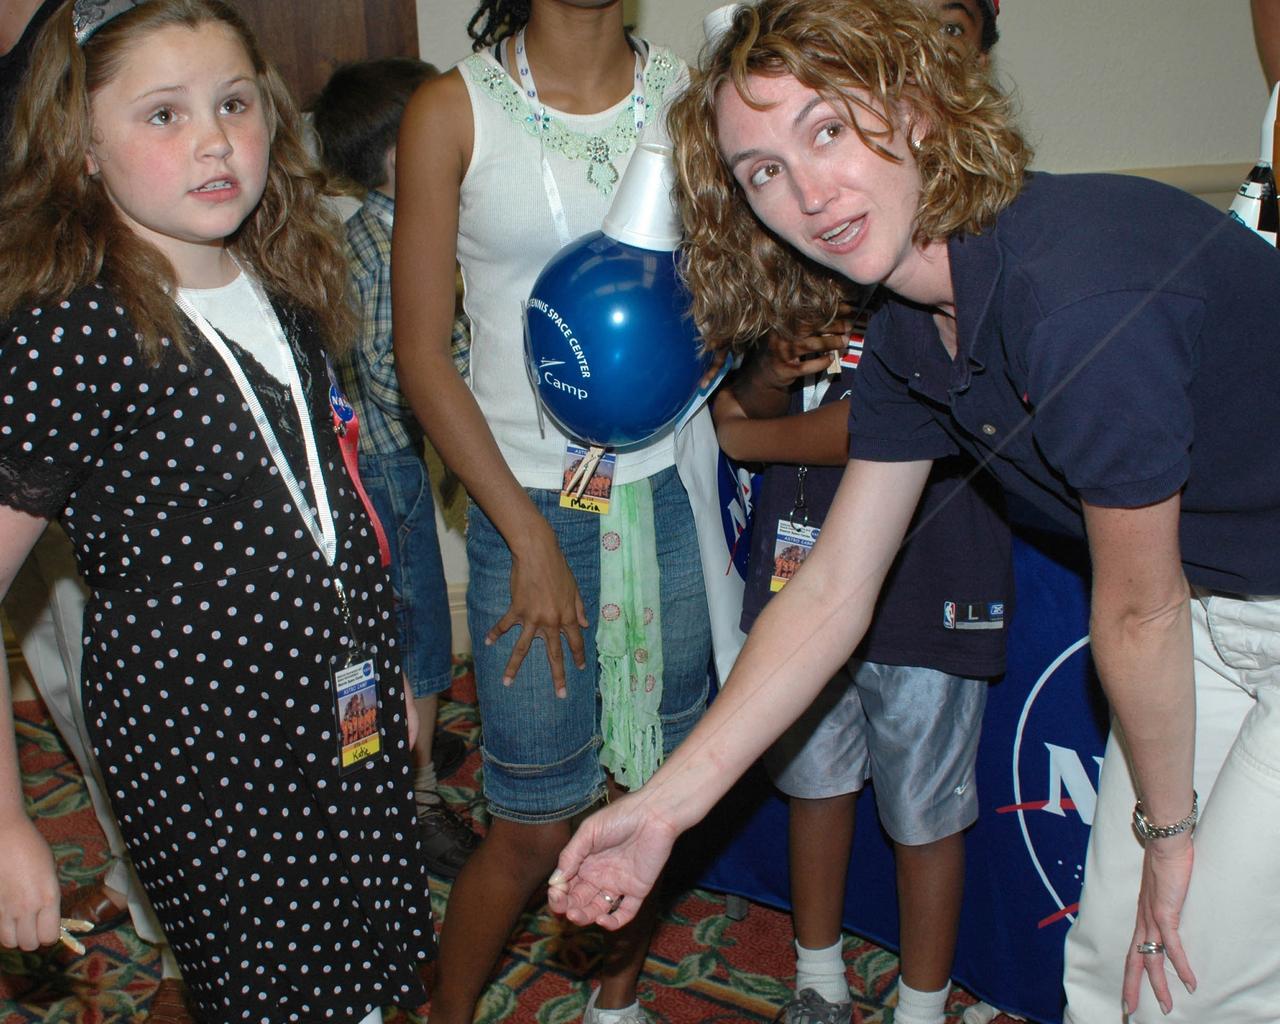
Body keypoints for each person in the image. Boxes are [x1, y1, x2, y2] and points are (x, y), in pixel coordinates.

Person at [548, 2, 1280, 1023]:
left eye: (827, 130)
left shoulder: (1071, 292)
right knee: (1116, 955)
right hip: (1211, 610)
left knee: (1205, 973)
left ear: (921, 111)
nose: (804, 193)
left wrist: (1166, 834)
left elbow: (1134, 612)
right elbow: (831, 590)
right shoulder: (906, 319)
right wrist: (663, 809)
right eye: (760, 169)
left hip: (1211, 610)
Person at [0, 2, 434, 1021]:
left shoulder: (281, 276)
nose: (212, 139)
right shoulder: (72, 327)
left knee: (367, 979)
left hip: (339, 705)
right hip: (208, 745)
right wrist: (9, 825)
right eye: (161, 114)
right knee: (279, 999)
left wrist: (394, 661)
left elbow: (336, 502)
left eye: (233, 102)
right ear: (82, 147)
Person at [391, 0, 713, 1020]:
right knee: (533, 819)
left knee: (650, 798)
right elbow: (417, 355)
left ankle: (613, 1007)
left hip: (668, 487)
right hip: (524, 500)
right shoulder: (452, 109)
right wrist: (526, 537)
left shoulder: (689, 94)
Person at [714, 9, 1007, 1022]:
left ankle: (920, 1003)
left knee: (925, 806)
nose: (806, 185)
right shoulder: (798, 250)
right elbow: (735, 413)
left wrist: (753, 437)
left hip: (932, 569)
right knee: (814, 782)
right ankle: (817, 977)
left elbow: (884, 426)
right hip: (801, 570)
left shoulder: (943, 250)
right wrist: (759, 380)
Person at [310, 56, 480, 881]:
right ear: (396, 157)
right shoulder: (387, 240)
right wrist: (464, 395)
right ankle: (413, 804)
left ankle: (398, 744)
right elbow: (394, 367)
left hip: (366, 466)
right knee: (418, 637)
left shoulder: (360, 234)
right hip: (385, 472)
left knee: (385, 622)